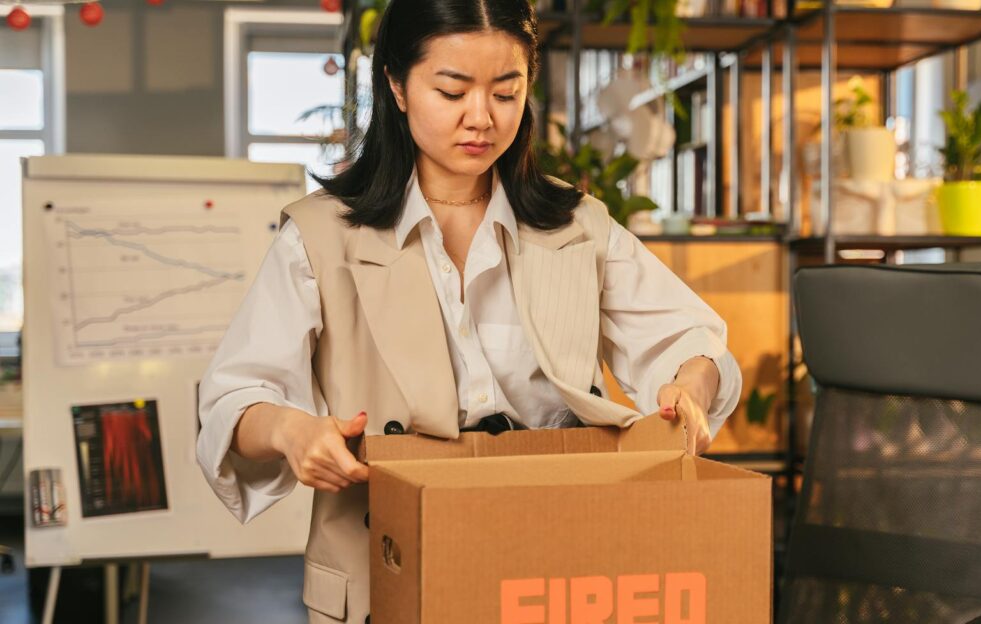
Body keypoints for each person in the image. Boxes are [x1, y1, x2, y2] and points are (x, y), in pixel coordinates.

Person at [196, 0, 742, 621]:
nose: (480, 118)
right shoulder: (320, 236)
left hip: (559, 561)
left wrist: (689, 383)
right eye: (452, 91)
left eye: (506, 93)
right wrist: (294, 432)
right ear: (398, 86)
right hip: (388, 566)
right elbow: (232, 401)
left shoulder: (577, 226)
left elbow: (693, 343)